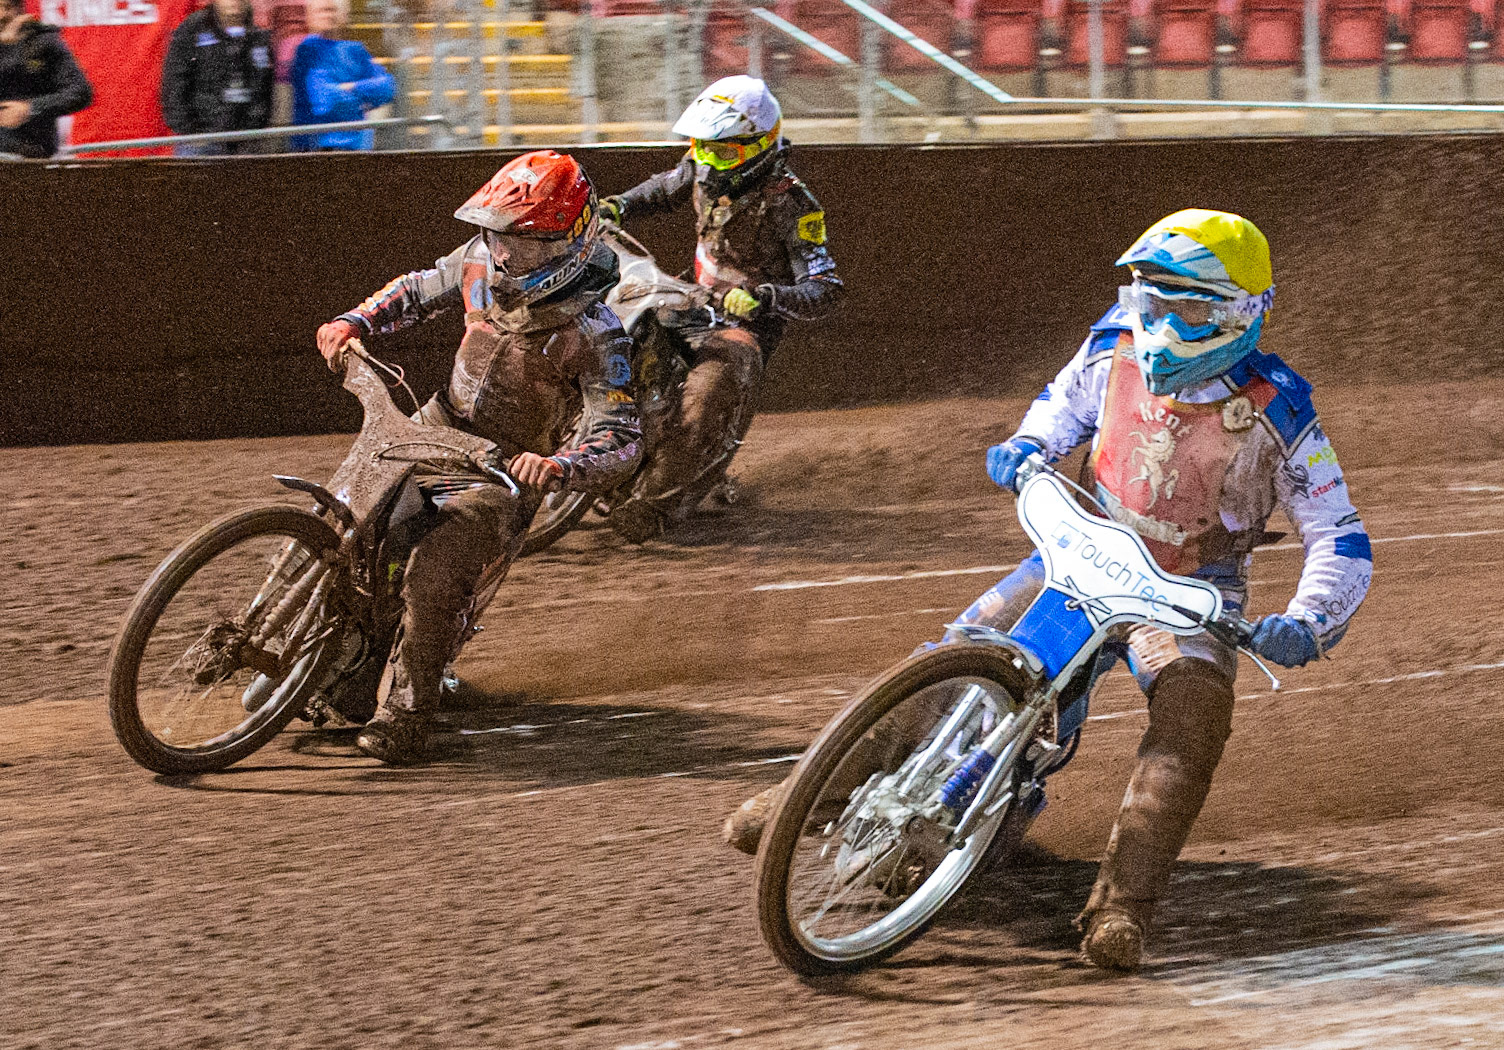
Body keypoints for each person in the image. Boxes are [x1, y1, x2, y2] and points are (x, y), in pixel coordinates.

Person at [723, 209, 1373, 973]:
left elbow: (1337, 532)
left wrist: (1308, 619)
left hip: (1187, 590)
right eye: (1150, 299)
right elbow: (1063, 401)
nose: (1158, 319)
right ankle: (815, 792)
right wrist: (1030, 443)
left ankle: (1121, 908)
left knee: (1191, 721)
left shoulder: (1279, 406)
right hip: (1083, 547)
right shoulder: (1114, 340)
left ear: (1235, 313)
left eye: (1183, 306)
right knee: (955, 656)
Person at [315, 150, 643, 764]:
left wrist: (562, 467)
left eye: (524, 241)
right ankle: (329, 658)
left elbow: (622, 434)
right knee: (346, 516)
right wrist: (354, 320)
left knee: (433, 575)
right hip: (436, 427)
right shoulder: (476, 263)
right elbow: (416, 290)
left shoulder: (598, 333)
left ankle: (408, 714)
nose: (505, 253)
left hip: (504, 469)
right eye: (497, 234)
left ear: (567, 244)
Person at [596, 74, 843, 542]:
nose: (708, 159)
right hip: (689, 297)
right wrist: (616, 208)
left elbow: (827, 287)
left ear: (762, 144)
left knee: (710, 391)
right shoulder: (703, 163)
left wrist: (766, 297)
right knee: (609, 324)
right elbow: (662, 188)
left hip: (745, 323)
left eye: (724, 151)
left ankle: (654, 506)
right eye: (701, 146)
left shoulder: (793, 204)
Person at [160, 0, 274, 156]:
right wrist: (190, 132)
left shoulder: (258, 38)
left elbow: (264, 92)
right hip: (200, 144)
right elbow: (174, 83)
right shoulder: (193, 30)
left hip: (245, 144)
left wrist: (254, 129)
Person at [288, 0, 394, 151]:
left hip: (357, 148)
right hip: (317, 148)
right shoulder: (306, 51)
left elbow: (387, 88)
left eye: (332, 10)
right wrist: (363, 97)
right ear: (310, 16)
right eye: (322, 10)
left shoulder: (356, 50)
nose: (328, 15)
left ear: (344, 14)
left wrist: (349, 87)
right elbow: (325, 100)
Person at [0, 0, 91, 159]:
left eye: (7, 7)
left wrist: (31, 108)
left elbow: (80, 92)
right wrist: (6, 49)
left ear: (19, 9)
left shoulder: (43, 41)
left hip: (33, 157)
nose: (1, 15)